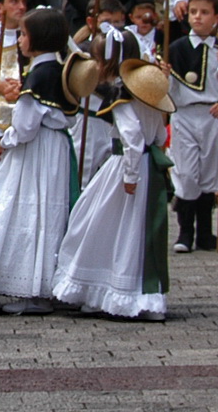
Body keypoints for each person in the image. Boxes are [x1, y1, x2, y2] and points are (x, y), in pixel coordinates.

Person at [0, 8, 76, 312]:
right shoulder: (58, 70)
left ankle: (34, 289)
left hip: (35, 153)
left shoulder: (38, 75)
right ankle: (40, 286)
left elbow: (25, 126)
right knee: (46, 212)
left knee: (31, 212)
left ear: (38, 39)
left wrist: (4, 141)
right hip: (54, 149)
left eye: (23, 34)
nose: (19, 39)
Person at [52, 56, 175, 321]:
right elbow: (160, 137)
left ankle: (109, 291)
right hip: (148, 169)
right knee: (137, 229)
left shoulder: (123, 102)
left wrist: (130, 175)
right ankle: (139, 294)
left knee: (102, 223)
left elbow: (132, 138)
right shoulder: (152, 105)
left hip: (124, 168)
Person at [168, 0, 218, 253]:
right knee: (187, 172)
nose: (198, 18)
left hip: (212, 114)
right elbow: (168, 90)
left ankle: (205, 232)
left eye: (204, 13)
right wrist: (165, 75)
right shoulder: (177, 48)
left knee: (208, 173)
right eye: (193, 12)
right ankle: (185, 231)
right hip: (185, 114)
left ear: (217, 17)